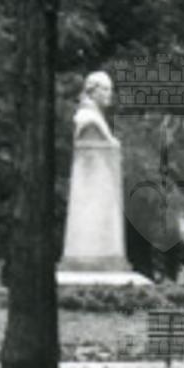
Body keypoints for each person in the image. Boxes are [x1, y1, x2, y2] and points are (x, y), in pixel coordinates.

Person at [59, 70, 129, 272]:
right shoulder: (87, 119)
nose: (109, 94)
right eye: (105, 89)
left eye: (110, 89)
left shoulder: (97, 119)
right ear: (92, 91)